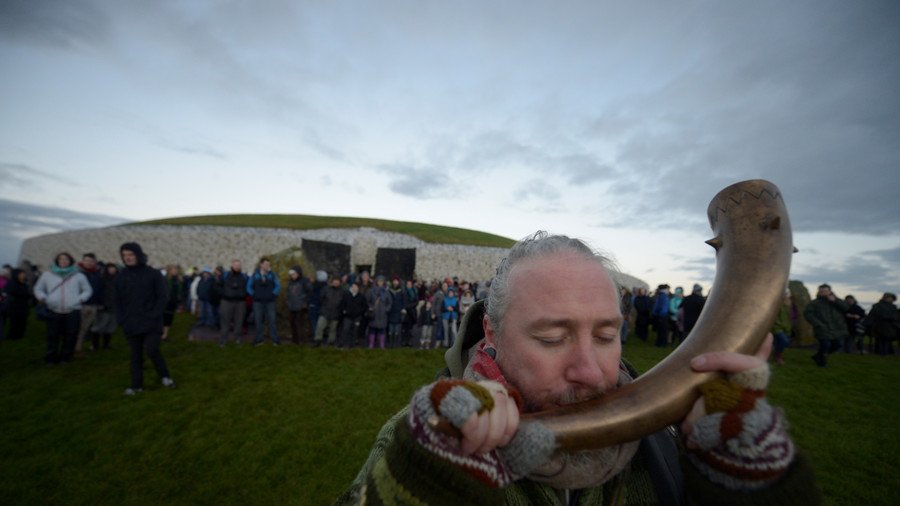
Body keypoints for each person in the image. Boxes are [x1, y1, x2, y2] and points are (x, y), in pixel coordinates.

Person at [338, 232, 816, 504]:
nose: (590, 370)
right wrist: (416, 484)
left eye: (607, 336)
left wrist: (752, 482)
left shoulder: (674, 440)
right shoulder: (422, 442)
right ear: (493, 332)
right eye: (552, 338)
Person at [115, 242, 175, 395]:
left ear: (138, 255)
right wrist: (121, 318)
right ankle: (137, 385)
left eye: (131, 255)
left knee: (152, 350)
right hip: (131, 321)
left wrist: (154, 313)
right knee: (135, 355)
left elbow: (163, 296)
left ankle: (165, 376)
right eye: (124, 255)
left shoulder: (152, 274)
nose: (127, 258)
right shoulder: (121, 276)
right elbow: (117, 299)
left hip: (151, 321)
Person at [33, 252, 93, 364]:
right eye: (61, 259)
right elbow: (38, 288)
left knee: (71, 335)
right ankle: (51, 357)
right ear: (57, 261)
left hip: (72, 309)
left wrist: (80, 299)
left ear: (70, 261)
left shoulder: (78, 275)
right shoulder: (47, 274)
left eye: (66, 259)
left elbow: (87, 290)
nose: (63, 261)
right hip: (53, 309)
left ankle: (65, 357)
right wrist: (43, 298)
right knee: (52, 335)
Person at [803, 284, 848, 367]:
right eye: (821, 291)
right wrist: (818, 324)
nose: (823, 293)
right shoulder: (814, 303)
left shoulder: (836, 300)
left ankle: (818, 356)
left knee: (838, 344)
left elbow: (846, 308)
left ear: (830, 291)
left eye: (825, 291)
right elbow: (808, 314)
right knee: (825, 345)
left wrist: (835, 301)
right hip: (822, 328)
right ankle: (822, 362)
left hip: (837, 328)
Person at [247, 257, 281, 346]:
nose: (267, 266)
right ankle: (259, 340)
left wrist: (273, 294)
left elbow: (278, 286)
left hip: (270, 302)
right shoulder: (255, 275)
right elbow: (248, 287)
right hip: (257, 302)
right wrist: (254, 295)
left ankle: (275, 340)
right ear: (261, 265)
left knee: (272, 321)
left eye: (269, 264)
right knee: (258, 321)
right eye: (266, 264)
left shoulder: (273, 275)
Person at [75, 253, 103, 353]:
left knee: (84, 329)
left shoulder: (97, 274)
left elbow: (99, 289)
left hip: (93, 305)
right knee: (77, 328)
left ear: (95, 262)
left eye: (91, 261)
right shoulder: (76, 274)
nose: (89, 263)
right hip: (80, 305)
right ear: (82, 261)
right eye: (86, 260)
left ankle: (77, 348)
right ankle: (73, 348)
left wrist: (99, 303)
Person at [219, 259, 248, 346]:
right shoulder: (225, 275)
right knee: (225, 321)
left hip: (240, 302)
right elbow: (218, 286)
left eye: (239, 265)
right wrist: (224, 293)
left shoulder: (244, 276)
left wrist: (244, 294)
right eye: (235, 265)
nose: (237, 267)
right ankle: (223, 339)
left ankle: (238, 338)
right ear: (232, 266)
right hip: (226, 301)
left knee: (239, 321)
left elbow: (249, 286)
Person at [91, 262, 119, 349]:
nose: (112, 270)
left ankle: (106, 345)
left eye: (113, 268)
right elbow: (98, 292)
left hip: (115, 307)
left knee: (110, 327)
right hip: (104, 306)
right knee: (100, 325)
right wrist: (100, 303)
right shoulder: (102, 279)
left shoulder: (119, 280)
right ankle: (95, 345)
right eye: (110, 268)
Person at [315, 275, 344, 347]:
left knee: (332, 329)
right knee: (320, 326)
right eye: (335, 281)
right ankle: (318, 341)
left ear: (340, 282)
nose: (336, 282)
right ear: (332, 281)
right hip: (325, 311)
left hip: (336, 313)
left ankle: (331, 342)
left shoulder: (342, 291)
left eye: (338, 281)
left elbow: (343, 302)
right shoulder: (326, 289)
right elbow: (321, 299)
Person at [286, 266, 311, 345]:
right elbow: (289, 294)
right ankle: (294, 340)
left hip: (301, 306)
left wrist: (305, 302)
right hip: (292, 306)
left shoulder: (304, 281)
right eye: (292, 274)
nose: (292, 276)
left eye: (294, 274)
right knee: (292, 323)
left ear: (298, 274)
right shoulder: (290, 282)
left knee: (299, 323)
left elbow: (309, 291)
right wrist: (289, 303)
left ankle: (301, 340)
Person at [4, 268, 31, 340]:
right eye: (21, 274)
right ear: (16, 275)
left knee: (22, 321)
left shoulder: (25, 283)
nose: (23, 275)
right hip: (14, 306)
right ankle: (12, 336)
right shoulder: (12, 282)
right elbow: (9, 292)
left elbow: (27, 293)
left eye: (23, 273)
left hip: (24, 305)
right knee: (14, 321)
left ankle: (20, 334)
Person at [339, 282, 368, 349]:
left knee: (355, 330)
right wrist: (344, 311)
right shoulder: (347, 295)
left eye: (356, 286)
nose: (354, 288)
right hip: (347, 316)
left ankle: (352, 344)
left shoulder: (361, 296)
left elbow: (364, 307)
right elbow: (342, 304)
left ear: (358, 288)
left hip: (357, 317)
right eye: (353, 286)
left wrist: (360, 312)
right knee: (346, 329)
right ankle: (343, 343)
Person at [366, 275, 391, 349]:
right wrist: (370, 307)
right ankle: (371, 344)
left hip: (383, 314)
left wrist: (386, 309)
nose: (380, 283)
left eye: (382, 281)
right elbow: (368, 301)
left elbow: (389, 302)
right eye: (379, 281)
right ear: (376, 282)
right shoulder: (371, 291)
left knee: (382, 330)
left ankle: (381, 344)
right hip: (374, 313)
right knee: (372, 329)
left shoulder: (386, 292)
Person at [771, 289, 793, 365]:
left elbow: (792, 315)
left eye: (787, 293)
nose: (786, 295)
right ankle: (778, 356)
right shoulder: (776, 303)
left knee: (779, 342)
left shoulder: (790, 304)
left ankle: (775, 353)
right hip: (777, 326)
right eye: (785, 293)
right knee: (784, 341)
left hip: (786, 327)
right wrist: (778, 324)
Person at [162, 265, 182, 340]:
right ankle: (162, 333)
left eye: (176, 270)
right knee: (163, 318)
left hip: (172, 302)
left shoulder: (177, 280)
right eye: (174, 270)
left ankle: (165, 335)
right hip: (165, 302)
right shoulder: (165, 279)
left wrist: (178, 302)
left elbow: (178, 291)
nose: (175, 271)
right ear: (169, 271)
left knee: (169, 318)